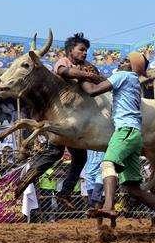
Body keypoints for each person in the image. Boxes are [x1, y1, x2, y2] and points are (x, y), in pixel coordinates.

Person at [82, 52, 155, 228]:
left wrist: (82, 75)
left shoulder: (122, 75)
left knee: (107, 164)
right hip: (135, 135)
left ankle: (108, 207)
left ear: (132, 66)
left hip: (125, 132)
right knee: (134, 189)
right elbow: (104, 83)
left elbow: (92, 91)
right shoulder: (132, 80)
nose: (121, 61)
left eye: (126, 60)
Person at [22, 32, 102, 206]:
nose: (85, 53)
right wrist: (87, 75)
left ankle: (64, 193)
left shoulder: (88, 66)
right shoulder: (63, 62)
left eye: (86, 50)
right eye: (81, 49)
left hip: (78, 123)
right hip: (60, 118)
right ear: (70, 51)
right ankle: (28, 177)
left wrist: (96, 76)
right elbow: (64, 72)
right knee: (54, 153)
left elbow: (98, 80)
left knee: (79, 159)